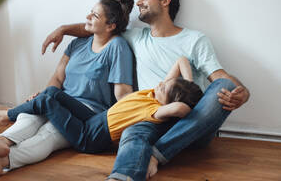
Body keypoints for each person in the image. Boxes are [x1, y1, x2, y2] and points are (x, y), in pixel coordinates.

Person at [41, 0, 250, 181]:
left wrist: (243, 93)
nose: (139, 2)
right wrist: (63, 29)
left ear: (165, 1)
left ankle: (155, 155)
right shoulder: (136, 37)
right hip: (151, 117)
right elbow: (100, 27)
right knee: (134, 128)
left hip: (191, 122)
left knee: (224, 85)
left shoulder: (194, 39)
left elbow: (219, 76)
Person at [0, 0, 136, 176]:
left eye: (95, 15)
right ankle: (1, 145)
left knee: (49, 132)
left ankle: (6, 156)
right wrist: (42, 96)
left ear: (111, 26)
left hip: (88, 112)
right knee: (29, 118)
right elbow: (57, 79)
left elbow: (122, 93)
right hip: (58, 101)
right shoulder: (77, 44)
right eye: (90, 12)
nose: (88, 17)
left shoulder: (118, 47)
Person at [44, 57, 203, 155]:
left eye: (164, 88)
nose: (161, 83)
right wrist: (188, 83)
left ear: (169, 102)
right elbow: (181, 60)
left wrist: (186, 99)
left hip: (88, 138)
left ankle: (17, 116)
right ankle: (28, 106)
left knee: (44, 102)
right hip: (95, 119)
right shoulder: (155, 93)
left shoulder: (155, 110)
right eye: (166, 83)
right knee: (52, 91)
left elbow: (181, 109)